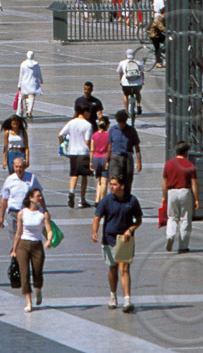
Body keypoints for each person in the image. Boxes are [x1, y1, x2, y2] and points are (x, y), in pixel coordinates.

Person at [91, 176, 142, 313]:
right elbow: (97, 217)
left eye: (114, 184)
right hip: (109, 239)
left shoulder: (132, 200)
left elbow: (138, 220)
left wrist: (130, 230)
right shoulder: (107, 200)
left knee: (124, 269)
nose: (111, 186)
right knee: (112, 269)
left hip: (125, 240)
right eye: (111, 184)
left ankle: (127, 300)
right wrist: (94, 231)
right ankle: (113, 294)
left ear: (122, 186)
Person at [10, 186, 51, 311]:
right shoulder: (22, 213)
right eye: (37, 196)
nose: (40, 198)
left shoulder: (43, 214)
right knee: (24, 273)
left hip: (37, 245)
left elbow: (49, 230)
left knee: (37, 271)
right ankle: (28, 302)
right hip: (23, 244)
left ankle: (38, 289)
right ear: (30, 198)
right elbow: (18, 232)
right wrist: (14, 249)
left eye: (40, 196)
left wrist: (49, 240)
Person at [162, 142, 199, 253]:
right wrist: (196, 198)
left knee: (172, 217)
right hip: (185, 191)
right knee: (185, 218)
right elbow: (194, 183)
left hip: (171, 192)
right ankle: (183, 245)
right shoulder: (189, 165)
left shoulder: (168, 164)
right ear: (186, 152)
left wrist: (164, 196)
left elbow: (164, 182)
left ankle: (170, 235)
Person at [60, 107, 95, 209]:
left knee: (74, 174)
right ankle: (82, 199)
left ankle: (71, 192)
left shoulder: (71, 122)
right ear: (85, 112)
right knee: (84, 176)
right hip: (83, 152)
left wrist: (62, 144)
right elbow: (87, 141)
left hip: (72, 152)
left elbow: (60, 134)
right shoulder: (88, 125)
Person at [107, 109, 142, 190]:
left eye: (123, 123)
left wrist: (139, 161)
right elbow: (109, 146)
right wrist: (107, 160)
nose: (121, 125)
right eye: (120, 123)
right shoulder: (113, 130)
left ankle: (126, 196)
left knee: (128, 179)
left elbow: (137, 147)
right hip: (115, 157)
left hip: (127, 157)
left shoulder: (131, 130)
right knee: (114, 179)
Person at [116, 49, 145, 115]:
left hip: (126, 83)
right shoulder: (139, 62)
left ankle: (126, 111)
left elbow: (120, 72)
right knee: (138, 93)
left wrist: (121, 81)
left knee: (126, 95)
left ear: (126, 55)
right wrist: (142, 81)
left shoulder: (122, 62)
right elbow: (142, 73)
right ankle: (138, 104)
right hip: (137, 83)